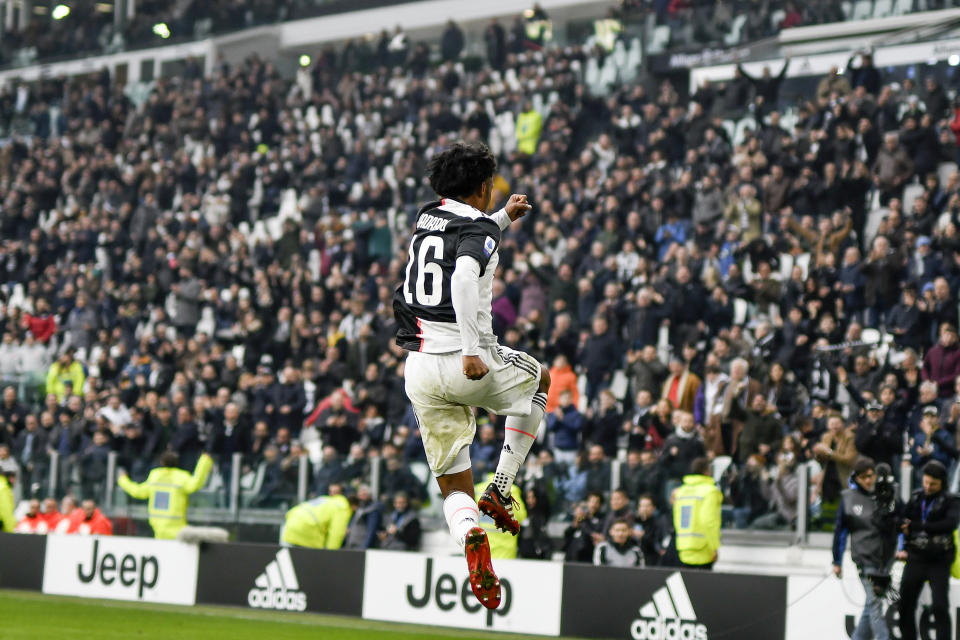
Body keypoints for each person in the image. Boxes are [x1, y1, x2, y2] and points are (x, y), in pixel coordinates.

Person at [393, 141, 549, 609]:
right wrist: (471, 348)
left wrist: (502, 219)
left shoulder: (427, 215)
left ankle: (470, 536)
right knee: (540, 380)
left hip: (419, 368)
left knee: (453, 486)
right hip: (465, 361)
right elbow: (463, 274)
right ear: (483, 187)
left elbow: (467, 236)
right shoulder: (477, 226)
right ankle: (500, 489)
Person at [831, 458, 900, 640]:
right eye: (864, 477)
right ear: (857, 478)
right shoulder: (848, 498)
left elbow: (897, 526)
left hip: (884, 561)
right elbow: (840, 532)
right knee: (876, 605)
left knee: (871, 606)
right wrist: (837, 561)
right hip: (865, 559)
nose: (869, 480)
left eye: (871, 476)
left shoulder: (885, 495)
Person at [898, 461, 959, 640]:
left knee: (940, 606)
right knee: (905, 603)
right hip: (916, 556)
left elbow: (949, 524)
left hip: (939, 559)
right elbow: (903, 522)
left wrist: (919, 526)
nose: (928, 487)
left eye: (933, 484)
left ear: (942, 483)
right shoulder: (917, 497)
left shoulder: (951, 500)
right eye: (925, 482)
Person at [117, 450, 213, 539]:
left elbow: (138, 491)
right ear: (177, 463)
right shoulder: (181, 477)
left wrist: (123, 480)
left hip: (157, 528)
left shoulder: (155, 476)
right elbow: (195, 484)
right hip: (177, 529)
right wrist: (204, 461)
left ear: (162, 463)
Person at [673, 457, 722, 570]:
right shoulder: (710, 491)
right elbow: (709, 521)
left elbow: (677, 519)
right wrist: (714, 546)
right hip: (703, 548)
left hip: (683, 546)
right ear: (707, 471)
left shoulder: (681, 491)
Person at [281, 484, 357, 549]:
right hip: (307, 530)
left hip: (290, 524)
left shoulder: (326, 499)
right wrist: (331, 554)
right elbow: (336, 534)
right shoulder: (343, 507)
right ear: (354, 506)